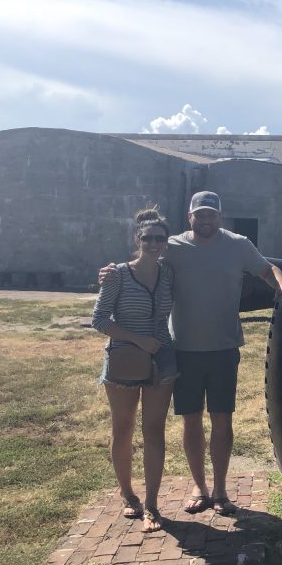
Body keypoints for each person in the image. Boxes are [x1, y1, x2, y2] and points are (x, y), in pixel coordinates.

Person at [101, 191, 282, 516]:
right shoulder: (173, 246)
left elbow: (267, 269)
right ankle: (199, 486)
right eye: (200, 215)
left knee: (222, 420)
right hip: (184, 350)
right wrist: (112, 272)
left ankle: (220, 489)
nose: (206, 220)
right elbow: (143, 260)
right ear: (190, 217)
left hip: (223, 348)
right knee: (191, 421)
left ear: (220, 217)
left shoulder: (238, 244)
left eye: (212, 215)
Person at [92, 207, 177, 533]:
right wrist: (139, 339)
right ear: (136, 239)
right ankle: (128, 495)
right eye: (148, 238)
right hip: (126, 358)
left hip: (162, 359)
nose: (154, 243)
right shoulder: (117, 274)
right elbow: (100, 320)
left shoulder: (168, 273)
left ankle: (152, 504)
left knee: (154, 431)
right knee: (123, 428)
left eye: (160, 238)